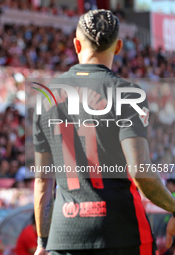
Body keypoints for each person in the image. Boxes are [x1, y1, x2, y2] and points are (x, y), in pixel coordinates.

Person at [33, 9, 175, 255]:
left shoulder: (47, 96)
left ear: (76, 44)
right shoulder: (127, 93)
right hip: (122, 233)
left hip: (64, 236)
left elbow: (43, 182)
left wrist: (43, 243)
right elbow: (140, 172)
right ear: (118, 47)